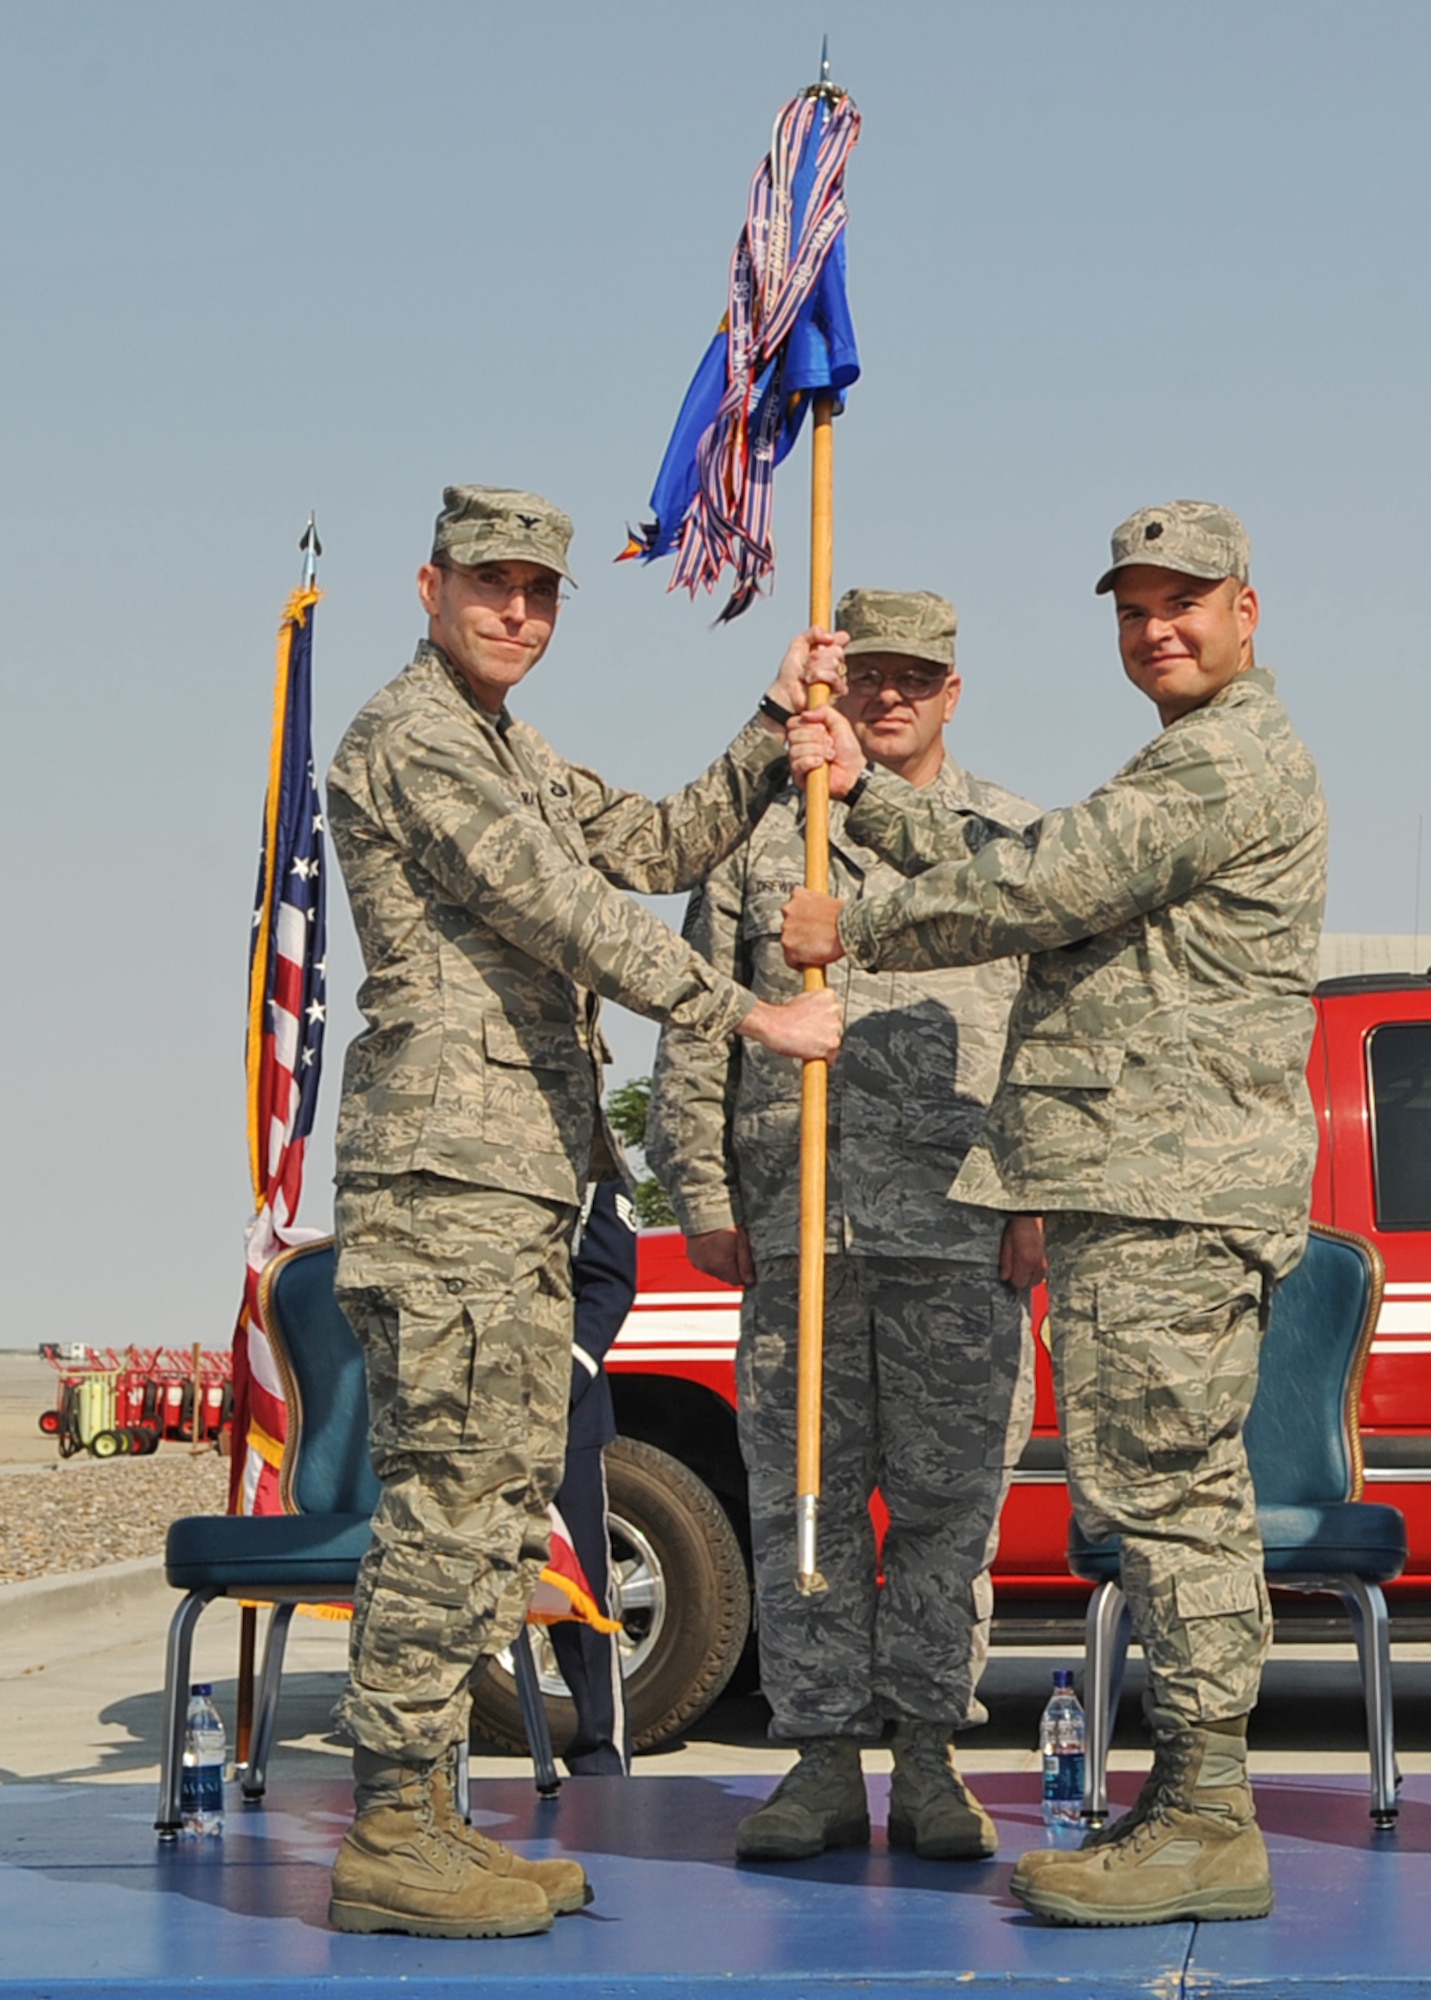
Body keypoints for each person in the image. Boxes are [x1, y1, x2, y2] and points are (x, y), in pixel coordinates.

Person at [780, 503, 1327, 1927]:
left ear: (1247, 611)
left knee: (1172, 1502)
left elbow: (1047, 879)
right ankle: (1189, 1799)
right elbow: (1051, 866)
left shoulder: (1224, 760)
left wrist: (866, 924)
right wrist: (876, 800)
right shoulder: (1184, 759)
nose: (1158, 627)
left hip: (1171, 1192)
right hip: (1141, 1186)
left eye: (1186, 602)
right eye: (1135, 606)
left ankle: (1212, 1815)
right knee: (1155, 1503)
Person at [324, 484, 843, 1939]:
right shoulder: (413, 738)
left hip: (523, 1181)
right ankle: (389, 1833)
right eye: (491, 584)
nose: (517, 611)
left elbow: (660, 844)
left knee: (497, 1508)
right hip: (448, 1179)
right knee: (445, 1504)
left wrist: (769, 722)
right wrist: (750, 1015)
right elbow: (572, 910)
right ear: (429, 586)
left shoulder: (510, 746)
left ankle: (430, 1817)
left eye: (541, 592)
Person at [648, 589, 1044, 1865]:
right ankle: (820, 1762)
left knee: (947, 1510)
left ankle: (930, 1759)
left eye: (913, 676)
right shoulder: (768, 841)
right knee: (803, 1503)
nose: (886, 695)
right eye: (865, 673)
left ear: (952, 690)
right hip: (799, 1221)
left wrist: (1035, 1197)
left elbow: (1054, 1036)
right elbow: (699, 1011)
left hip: (958, 1227)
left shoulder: (1010, 839)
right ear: (832, 687)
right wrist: (702, 1191)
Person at [550, 1177, 638, 1775]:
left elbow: (608, 1283)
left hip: (564, 1412)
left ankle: (599, 1754)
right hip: (464, 1404)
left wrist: (564, 1382)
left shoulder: (593, 1169)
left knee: (582, 1595)